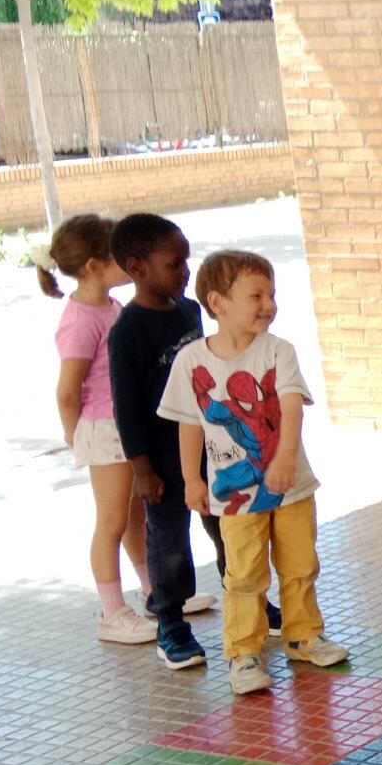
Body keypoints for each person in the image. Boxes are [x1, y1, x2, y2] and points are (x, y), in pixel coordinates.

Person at [161, 249, 347, 693]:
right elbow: (189, 424)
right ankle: (243, 651)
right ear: (218, 302)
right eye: (256, 295)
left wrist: (284, 457)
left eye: (272, 294)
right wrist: (191, 479)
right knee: (243, 573)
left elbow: (288, 405)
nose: (269, 304)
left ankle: (303, 634)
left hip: (292, 487)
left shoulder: (278, 351)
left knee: (300, 562)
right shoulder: (191, 361)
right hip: (235, 495)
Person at [107, 213, 269, 672]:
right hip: (161, 458)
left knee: (229, 531)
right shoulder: (128, 330)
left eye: (186, 262)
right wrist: (142, 468)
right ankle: (171, 623)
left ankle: (249, 605)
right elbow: (125, 405)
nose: (184, 273)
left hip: (208, 448)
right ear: (138, 267)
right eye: (174, 264)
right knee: (170, 542)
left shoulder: (189, 311)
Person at [38, 214, 156, 645]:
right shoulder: (81, 319)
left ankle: (152, 590)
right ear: (92, 265)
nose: (131, 263)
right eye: (120, 256)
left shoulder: (109, 306)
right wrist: (77, 436)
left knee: (132, 514)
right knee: (110, 521)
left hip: (123, 422)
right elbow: (67, 391)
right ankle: (112, 612)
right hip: (103, 428)